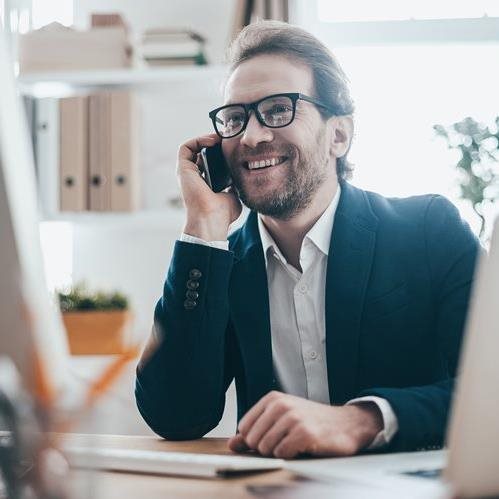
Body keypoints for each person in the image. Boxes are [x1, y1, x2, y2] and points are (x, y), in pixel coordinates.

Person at [135, 20, 480, 458]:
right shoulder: (223, 264)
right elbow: (175, 415)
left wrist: (364, 419)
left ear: (339, 135)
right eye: (236, 118)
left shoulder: (429, 230)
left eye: (279, 109)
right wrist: (202, 228)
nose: (253, 136)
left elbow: (492, 388)